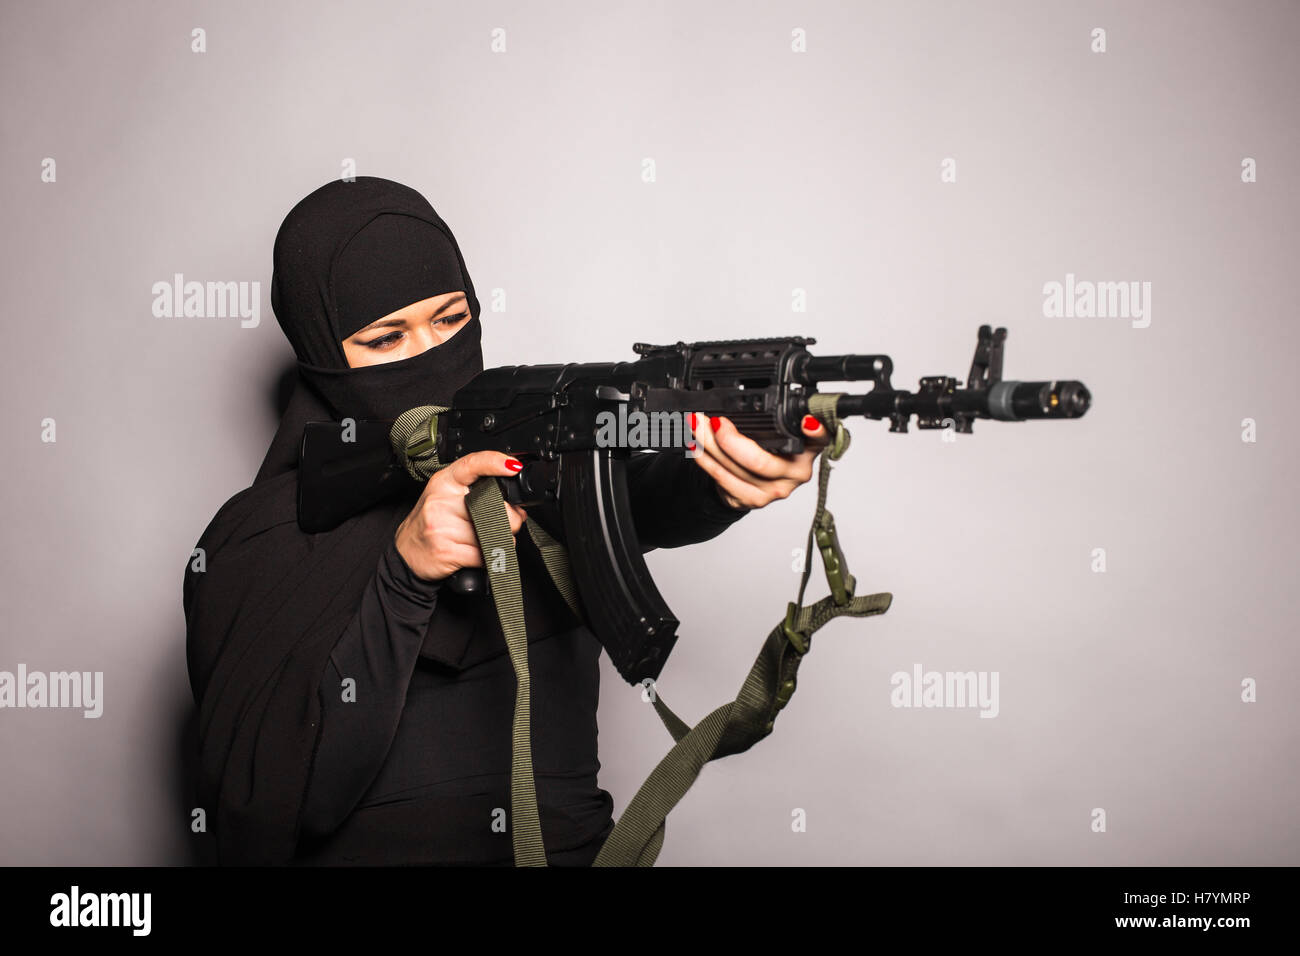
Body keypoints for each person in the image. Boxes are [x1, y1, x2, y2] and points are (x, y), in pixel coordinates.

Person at [183, 176, 827, 866]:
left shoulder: (534, 475)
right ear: (323, 357)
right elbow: (278, 806)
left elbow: (642, 494)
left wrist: (732, 476)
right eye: (385, 338)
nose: (428, 352)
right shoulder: (255, 542)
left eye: (450, 319)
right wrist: (402, 571)